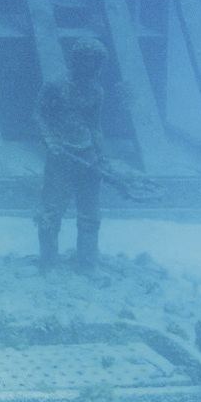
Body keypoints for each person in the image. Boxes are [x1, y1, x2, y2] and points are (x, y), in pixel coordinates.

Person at [34, 37, 157, 272]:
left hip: (88, 156)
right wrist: (50, 142)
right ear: (77, 61)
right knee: (51, 212)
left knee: (90, 214)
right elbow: (39, 115)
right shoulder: (55, 85)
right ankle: (48, 264)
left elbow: (95, 126)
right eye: (88, 62)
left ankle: (87, 264)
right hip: (60, 157)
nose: (93, 68)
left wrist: (102, 157)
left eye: (97, 63)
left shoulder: (96, 91)